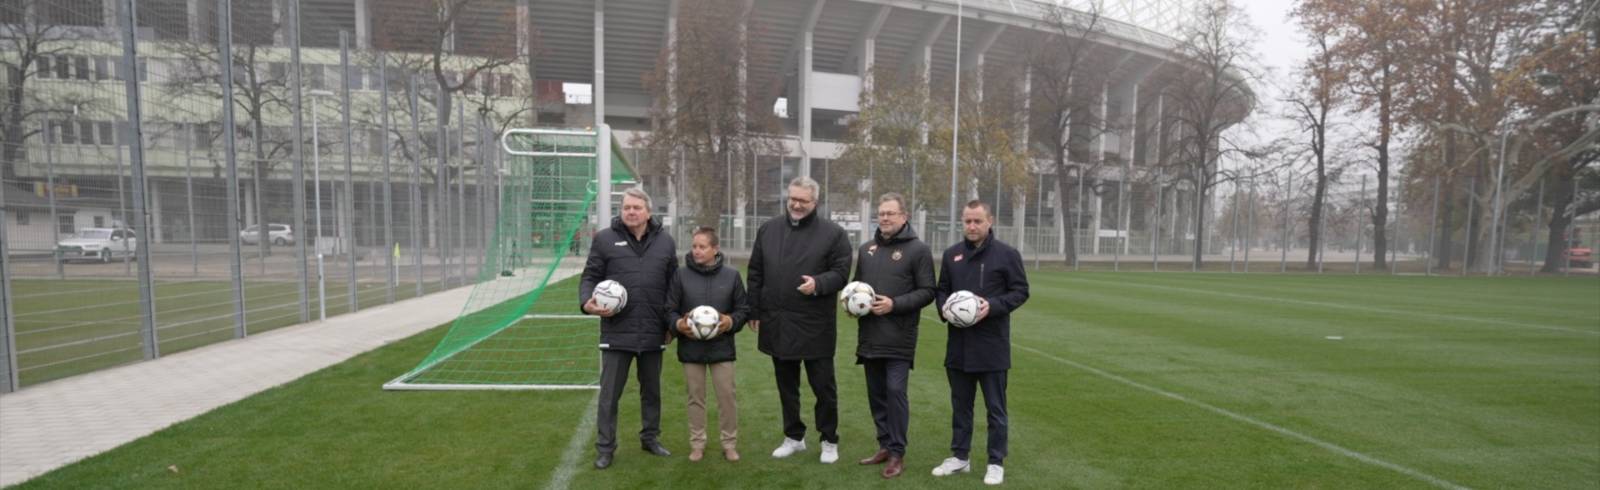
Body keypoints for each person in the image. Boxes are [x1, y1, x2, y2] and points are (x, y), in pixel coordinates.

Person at [747, 176, 853, 464]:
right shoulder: (768, 229)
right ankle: (794, 437)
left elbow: (842, 271)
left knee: (823, 388)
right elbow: (755, 272)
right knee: (786, 387)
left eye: (802, 200)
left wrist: (819, 283)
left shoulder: (833, 233)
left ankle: (829, 439)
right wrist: (754, 310)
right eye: (792, 198)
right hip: (777, 322)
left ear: (814, 202)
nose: (795, 204)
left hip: (814, 324)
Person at [929, 200, 1029, 486]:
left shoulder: (1007, 255)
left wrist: (993, 306)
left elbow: (1021, 291)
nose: (972, 226)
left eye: (977, 221)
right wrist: (945, 309)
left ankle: (996, 461)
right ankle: (960, 457)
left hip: (992, 346)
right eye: (967, 221)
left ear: (990, 221)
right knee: (961, 405)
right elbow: (942, 290)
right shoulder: (952, 255)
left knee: (996, 409)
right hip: (958, 345)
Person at [579, 187, 678, 470]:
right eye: (626, 207)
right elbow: (590, 276)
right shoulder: (605, 240)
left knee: (652, 392)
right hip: (616, 330)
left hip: (652, 331)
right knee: (610, 394)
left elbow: (673, 286)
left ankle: (650, 438)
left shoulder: (665, 243)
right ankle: (605, 448)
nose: (631, 212)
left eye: (636, 207)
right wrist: (587, 301)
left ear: (648, 211)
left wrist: (671, 324)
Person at [851, 192, 935, 479]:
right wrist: (852, 305)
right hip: (870, 336)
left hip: (899, 337)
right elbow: (856, 287)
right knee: (876, 394)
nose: (885, 218)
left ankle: (898, 452)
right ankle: (884, 445)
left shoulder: (918, 250)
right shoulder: (866, 249)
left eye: (891, 213)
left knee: (895, 392)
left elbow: (928, 292)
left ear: (904, 216)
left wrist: (894, 304)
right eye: (881, 213)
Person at [665, 226, 749, 463]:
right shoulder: (680, 275)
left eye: (702, 247)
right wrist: (679, 324)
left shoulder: (731, 275)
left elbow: (743, 309)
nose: (697, 251)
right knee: (695, 397)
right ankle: (697, 443)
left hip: (722, 348)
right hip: (691, 348)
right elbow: (669, 309)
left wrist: (730, 321)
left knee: (726, 397)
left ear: (715, 249)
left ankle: (729, 443)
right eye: (694, 246)